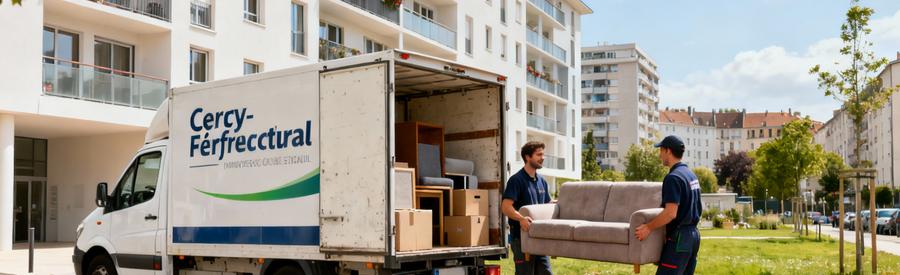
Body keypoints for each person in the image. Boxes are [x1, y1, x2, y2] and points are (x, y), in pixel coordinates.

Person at [635, 135, 702, 275]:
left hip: (680, 239)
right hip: (694, 236)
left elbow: (670, 213)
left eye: (661, 150)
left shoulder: (673, 178)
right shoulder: (690, 175)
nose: (660, 155)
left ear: (668, 151)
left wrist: (648, 227)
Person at [501, 141, 553, 275]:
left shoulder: (542, 181)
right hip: (521, 238)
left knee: (545, 272)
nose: (543, 157)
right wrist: (521, 219)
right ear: (528, 157)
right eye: (539, 154)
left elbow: (547, 204)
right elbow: (506, 207)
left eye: (543, 154)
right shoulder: (516, 180)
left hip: (539, 236)